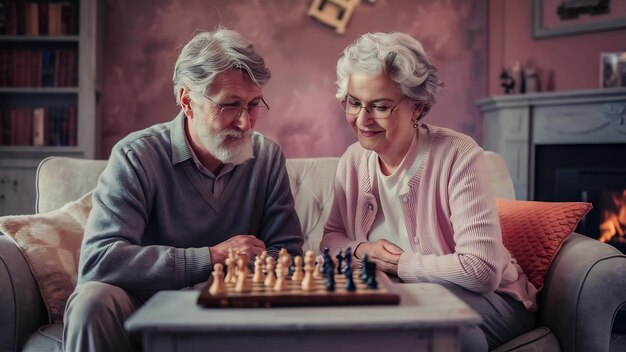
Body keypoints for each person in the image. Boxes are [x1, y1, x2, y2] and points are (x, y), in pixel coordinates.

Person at [63, 27, 304, 352]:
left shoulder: (267, 157)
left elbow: (287, 254)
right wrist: (210, 257)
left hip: (229, 302)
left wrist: (217, 286)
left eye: (254, 103)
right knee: (92, 301)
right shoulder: (136, 155)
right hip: (146, 300)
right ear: (187, 101)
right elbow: (99, 261)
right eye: (230, 105)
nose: (246, 123)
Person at [320, 32, 538, 351]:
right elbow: (331, 240)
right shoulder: (353, 160)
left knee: (431, 331)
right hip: (400, 299)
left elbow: (482, 270)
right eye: (353, 102)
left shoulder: (459, 155)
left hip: (491, 301)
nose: (362, 119)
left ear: (417, 108)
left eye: (379, 106)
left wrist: (400, 264)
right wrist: (364, 252)